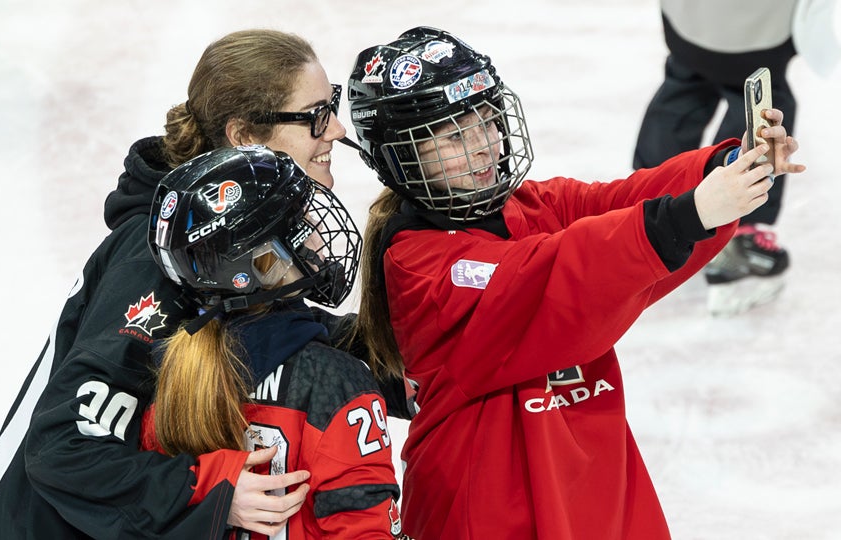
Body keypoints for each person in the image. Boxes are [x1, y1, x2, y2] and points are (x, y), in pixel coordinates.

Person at [345, 26, 804, 539]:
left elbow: (621, 201)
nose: (482, 147)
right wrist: (687, 216)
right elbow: (555, 273)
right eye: (455, 136)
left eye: (486, 122)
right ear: (397, 155)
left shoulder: (530, 205)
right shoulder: (420, 267)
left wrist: (725, 166)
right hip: (487, 509)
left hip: (592, 483)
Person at [0, 29, 369, 539]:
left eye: (334, 107)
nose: (337, 130)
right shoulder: (156, 259)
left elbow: (248, 332)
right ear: (244, 136)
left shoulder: (219, 234)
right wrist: (210, 490)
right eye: (315, 116)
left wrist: (378, 353)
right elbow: (65, 446)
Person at [140, 144, 401, 538]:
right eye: (299, 227)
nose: (315, 235)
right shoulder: (336, 380)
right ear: (261, 263)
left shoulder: (172, 369)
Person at [633, 0, 799, 316]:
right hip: (756, 30)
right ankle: (739, 232)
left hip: (688, 21)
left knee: (685, 85)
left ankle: (647, 206)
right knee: (762, 105)